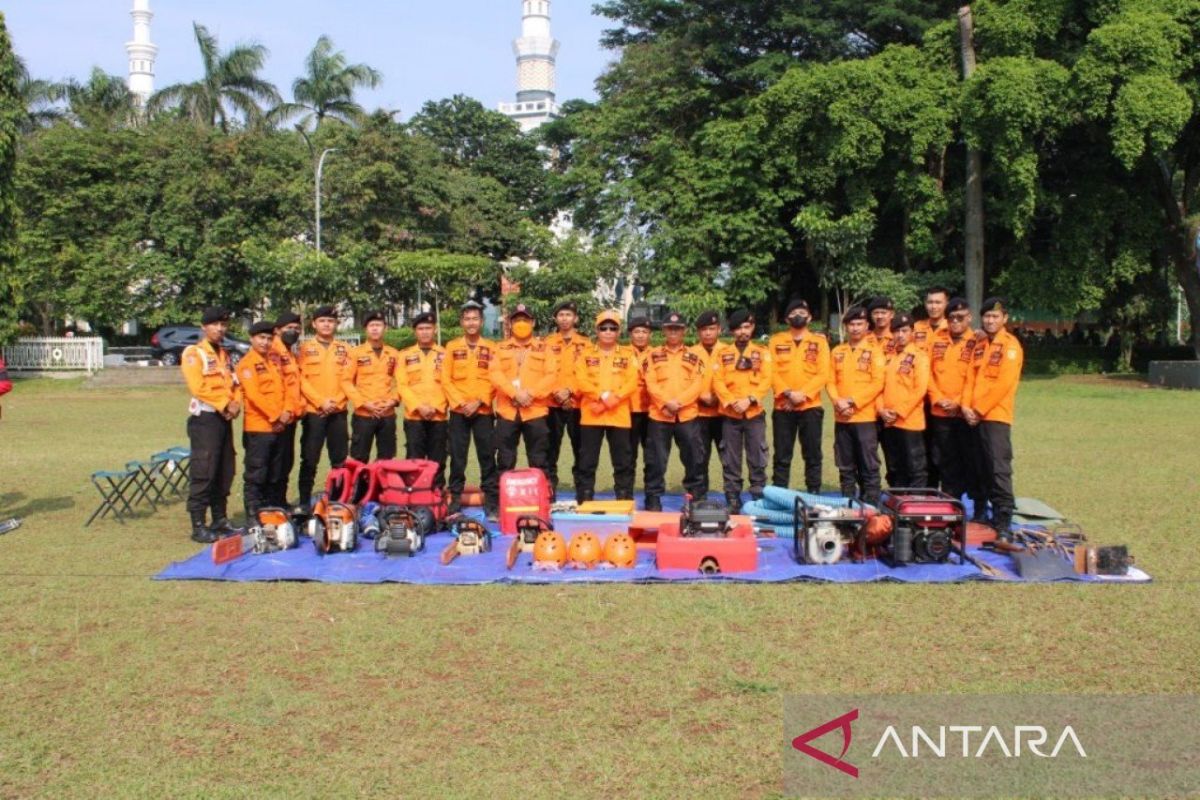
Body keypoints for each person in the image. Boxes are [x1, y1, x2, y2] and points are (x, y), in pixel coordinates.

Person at [962, 297, 1024, 539]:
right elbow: (969, 378)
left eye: (995, 317)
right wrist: (967, 406)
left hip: (995, 416)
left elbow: (1003, 385)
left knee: (998, 469)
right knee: (978, 467)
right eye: (987, 316)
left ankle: (1003, 519)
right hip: (972, 416)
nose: (990, 320)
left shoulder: (1010, 346)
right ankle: (979, 512)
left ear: (1004, 319)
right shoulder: (979, 345)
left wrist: (977, 409)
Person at [180, 307, 242, 543]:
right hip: (206, 419)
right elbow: (198, 387)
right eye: (215, 324)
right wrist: (225, 404)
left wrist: (235, 404)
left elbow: (235, 383)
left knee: (225, 469)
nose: (220, 329)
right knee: (204, 470)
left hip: (224, 419)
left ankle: (220, 519)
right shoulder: (195, 353)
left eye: (224, 325)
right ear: (204, 327)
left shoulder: (223, 354)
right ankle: (198, 525)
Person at [574, 310, 640, 503]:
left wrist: (615, 397)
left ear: (619, 332)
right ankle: (585, 497)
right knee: (587, 460)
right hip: (591, 414)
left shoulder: (629, 355)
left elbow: (632, 381)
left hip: (619, 415)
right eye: (604, 328)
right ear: (597, 331)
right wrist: (602, 396)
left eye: (613, 328)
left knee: (623, 461)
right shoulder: (585, 355)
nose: (608, 332)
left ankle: (623, 497)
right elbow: (581, 379)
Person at [642, 311, 706, 511]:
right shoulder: (652, 355)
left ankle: (695, 498)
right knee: (656, 461)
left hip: (687, 415)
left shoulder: (694, 356)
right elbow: (650, 383)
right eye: (670, 328)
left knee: (694, 459)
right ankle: (653, 498)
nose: (673, 332)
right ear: (663, 331)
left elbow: (697, 383)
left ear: (684, 331)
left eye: (677, 329)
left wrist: (678, 402)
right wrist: (665, 403)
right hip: (660, 416)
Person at [442, 300, 500, 518]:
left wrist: (480, 401)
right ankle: (455, 499)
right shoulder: (452, 347)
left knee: (487, 457)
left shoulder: (492, 348)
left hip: (483, 411)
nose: (471, 322)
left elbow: (495, 379)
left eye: (475, 318)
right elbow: (445, 379)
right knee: (458, 458)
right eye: (467, 319)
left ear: (482, 321)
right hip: (459, 412)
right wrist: (460, 403)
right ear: (461, 322)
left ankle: (491, 501)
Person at [712, 309, 773, 512]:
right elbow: (717, 381)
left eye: (746, 327)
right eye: (738, 328)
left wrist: (750, 399)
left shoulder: (762, 353)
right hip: (730, 415)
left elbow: (766, 379)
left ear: (753, 328)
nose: (742, 332)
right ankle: (732, 499)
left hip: (754, 413)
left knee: (757, 457)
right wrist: (730, 401)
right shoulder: (722, 354)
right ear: (732, 331)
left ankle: (758, 498)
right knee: (731, 460)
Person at [769, 298, 830, 494]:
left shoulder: (819, 342)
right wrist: (788, 394)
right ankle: (779, 495)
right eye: (794, 313)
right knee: (782, 456)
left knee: (812, 454)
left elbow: (823, 373)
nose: (798, 316)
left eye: (803, 313)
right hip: (783, 407)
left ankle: (813, 493)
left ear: (810, 317)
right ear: (787, 319)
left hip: (810, 407)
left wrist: (802, 395)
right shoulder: (776, 341)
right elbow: (771, 371)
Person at [489, 304, 558, 474]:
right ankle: (502, 496)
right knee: (505, 458)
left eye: (525, 320)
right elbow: (494, 374)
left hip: (535, 410)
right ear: (510, 324)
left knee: (539, 458)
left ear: (532, 322)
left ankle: (541, 496)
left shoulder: (544, 349)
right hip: (507, 410)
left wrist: (530, 394)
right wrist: (515, 393)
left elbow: (551, 376)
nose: (521, 323)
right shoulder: (499, 348)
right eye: (517, 320)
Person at [829, 306, 885, 505]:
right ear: (846, 327)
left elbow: (878, 383)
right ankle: (848, 504)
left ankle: (871, 505)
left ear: (867, 326)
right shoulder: (837, 351)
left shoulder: (875, 352)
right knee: (845, 465)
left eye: (859, 324)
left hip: (864, 417)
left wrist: (852, 401)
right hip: (842, 417)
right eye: (851, 324)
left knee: (868, 464)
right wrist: (838, 402)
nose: (855, 328)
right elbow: (830, 381)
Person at [927, 297, 981, 503]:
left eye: (961, 317)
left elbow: (976, 377)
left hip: (964, 412)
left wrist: (959, 402)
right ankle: (949, 500)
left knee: (969, 459)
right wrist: (939, 399)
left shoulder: (977, 341)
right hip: (940, 412)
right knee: (943, 459)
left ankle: (974, 506)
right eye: (951, 318)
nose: (956, 322)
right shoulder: (937, 340)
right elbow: (928, 373)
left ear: (970, 317)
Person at [237, 321, 292, 522]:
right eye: (261, 338)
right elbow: (254, 395)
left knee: (276, 471)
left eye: (269, 338)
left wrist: (286, 412)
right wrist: (276, 416)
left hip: (280, 426)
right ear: (252, 339)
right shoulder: (246, 364)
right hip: (259, 427)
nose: (266, 342)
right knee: (256, 472)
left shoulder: (274, 360)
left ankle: (273, 508)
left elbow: (285, 388)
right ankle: (253, 512)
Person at [297, 305, 351, 508]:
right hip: (314, 413)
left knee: (339, 460)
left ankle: (339, 500)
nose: (326, 324)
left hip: (338, 412)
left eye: (330, 321)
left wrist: (334, 402)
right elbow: (301, 380)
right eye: (322, 321)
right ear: (314, 324)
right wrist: (321, 402)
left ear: (336, 323)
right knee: (310, 459)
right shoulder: (305, 349)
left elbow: (349, 379)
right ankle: (303, 501)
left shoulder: (345, 349)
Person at [396, 311, 448, 487]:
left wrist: (435, 407)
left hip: (438, 416)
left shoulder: (445, 354)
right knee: (414, 460)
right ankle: (414, 497)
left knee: (438, 460)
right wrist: (419, 406)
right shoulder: (404, 355)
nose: (425, 332)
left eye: (428, 328)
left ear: (435, 330)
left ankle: (438, 495)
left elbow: (448, 383)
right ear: (415, 331)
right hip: (414, 417)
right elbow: (402, 385)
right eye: (421, 328)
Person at [878, 313, 931, 488]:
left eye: (904, 330)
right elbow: (879, 387)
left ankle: (916, 507)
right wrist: (882, 411)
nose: (900, 335)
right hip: (890, 422)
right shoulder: (889, 357)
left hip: (909, 421)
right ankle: (899, 504)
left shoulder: (919, 357)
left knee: (915, 467)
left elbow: (920, 389)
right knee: (895, 466)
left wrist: (899, 411)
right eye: (896, 331)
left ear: (912, 332)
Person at [341, 310, 401, 463]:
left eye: (378, 325)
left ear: (385, 328)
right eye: (371, 325)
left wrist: (393, 401)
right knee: (359, 458)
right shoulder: (356, 353)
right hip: (364, 414)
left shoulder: (394, 354)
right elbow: (346, 381)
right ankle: (359, 488)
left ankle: (382, 487)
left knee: (386, 458)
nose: (375, 328)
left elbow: (402, 382)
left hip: (387, 413)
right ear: (365, 329)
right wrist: (363, 403)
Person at [545, 300, 588, 501]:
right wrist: (557, 393)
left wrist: (570, 393)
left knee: (581, 450)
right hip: (552, 404)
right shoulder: (545, 343)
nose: (564, 319)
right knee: (550, 452)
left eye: (568, 315)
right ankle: (549, 493)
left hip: (577, 404)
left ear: (576, 318)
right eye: (561, 315)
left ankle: (583, 493)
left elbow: (589, 375)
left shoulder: (586, 344)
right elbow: (542, 373)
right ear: (555, 318)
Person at [689, 310, 726, 499]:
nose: (708, 333)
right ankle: (699, 498)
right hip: (699, 414)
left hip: (724, 414)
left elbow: (734, 381)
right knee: (699, 459)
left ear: (719, 329)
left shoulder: (728, 351)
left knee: (728, 458)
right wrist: (701, 395)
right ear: (698, 333)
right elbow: (685, 382)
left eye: (712, 329)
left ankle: (732, 498)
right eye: (704, 329)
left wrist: (719, 397)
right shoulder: (690, 354)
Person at [268, 312, 303, 508]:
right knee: (275, 462)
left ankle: (279, 500)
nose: (293, 332)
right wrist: (284, 411)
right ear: (277, 330)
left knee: (285, 461)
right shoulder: (274, 352)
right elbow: (277, 387)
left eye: (297, 329)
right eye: (289, 328)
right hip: (278, 417)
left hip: (290, 416)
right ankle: (271, 502)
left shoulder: (290, 352)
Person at [627, 316, 653, 498]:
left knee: (652, 457)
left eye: (644, 332)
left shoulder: (658, 353)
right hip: (628, 410)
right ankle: (626, 494)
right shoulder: (622, 353)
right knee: (627, 457)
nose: (641, 336)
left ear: (650, 334)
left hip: (652, 411)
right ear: (630, 334)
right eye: (637, 331)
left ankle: (651, 496)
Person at [913, 287, 950, 352]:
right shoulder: (916, 328)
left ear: (947, 304)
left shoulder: (953, 329)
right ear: (925, 304)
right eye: (930, 302)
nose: (933, 307)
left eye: (938, 302)